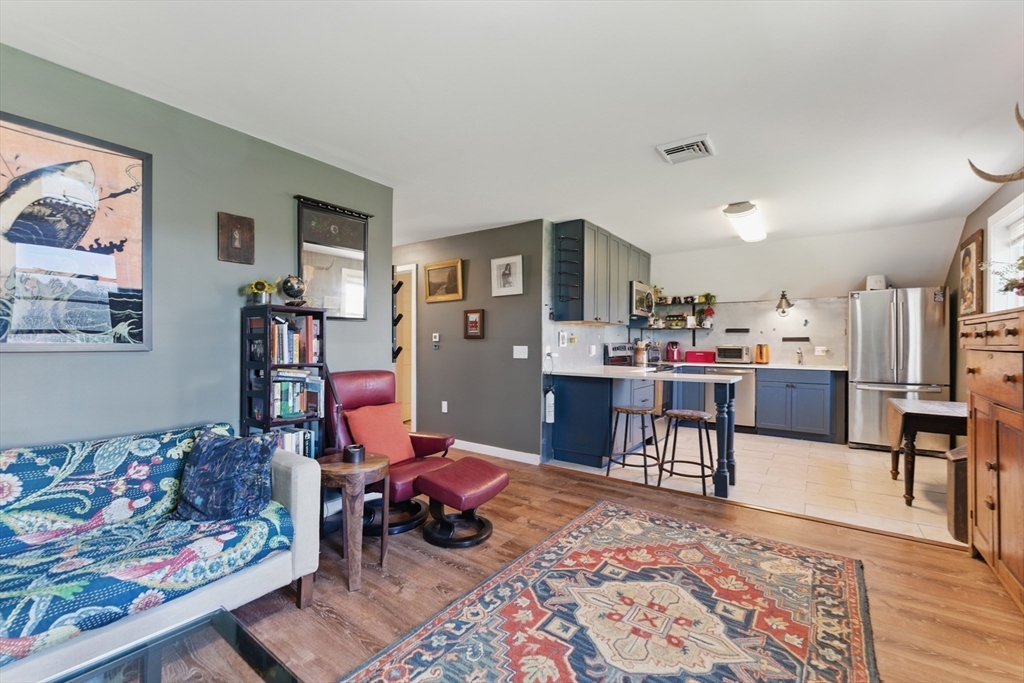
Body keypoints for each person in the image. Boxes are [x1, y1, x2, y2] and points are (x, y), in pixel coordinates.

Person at [960, 247, 975, 314]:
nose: (967, 268)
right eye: (965, 265)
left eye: (968, 265)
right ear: (963, 267)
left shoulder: (972, 280)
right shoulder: (961, 281)